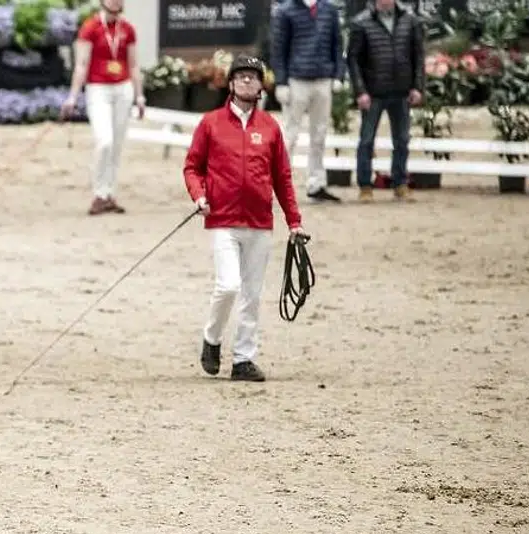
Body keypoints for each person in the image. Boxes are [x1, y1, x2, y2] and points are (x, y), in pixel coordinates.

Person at [182, 54, 306, 384]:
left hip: (259, 222)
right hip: (223, 219)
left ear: (261, 85)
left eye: (253, 77)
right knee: (228, 286)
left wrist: (294, 221)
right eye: (241, 77)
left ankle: (243, 358)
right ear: (232, 83)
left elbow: (282, 177)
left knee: (252, 294)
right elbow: (192, 166)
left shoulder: (270, 128)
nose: (247, 81)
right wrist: (199, 195)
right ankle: (212, 338)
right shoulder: (210, 123)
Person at [62, 0, 145, 215]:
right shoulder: (90, 28)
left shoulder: (127, 29)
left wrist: (140, 95)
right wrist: (72, 96)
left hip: (123, 88)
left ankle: (109, 193)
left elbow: (134, 64)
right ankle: (99, 193)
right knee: (104, 141)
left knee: (117, 145)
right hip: (98, 88)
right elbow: (81, 65)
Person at [346, 0, 425, 201]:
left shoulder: (410, 21)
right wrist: (360, 91)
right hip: (372, 93)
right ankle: (365, 186)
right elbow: (353, 60)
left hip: (401, 91)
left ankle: (400, 183)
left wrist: (417, 86)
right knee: (366, 140)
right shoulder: (360, 22)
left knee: (402, 140)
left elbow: (418, 56)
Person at [271, 0, 346, 203]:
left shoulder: (329, 10)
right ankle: (278, 186)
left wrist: (339, 75)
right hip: (297, 80)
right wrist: (281, 82)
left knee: (319, 135)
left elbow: (337, 44)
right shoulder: (285, 11)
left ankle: (316, 184)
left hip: (323, 79)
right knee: (290, 136)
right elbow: (279, 49)